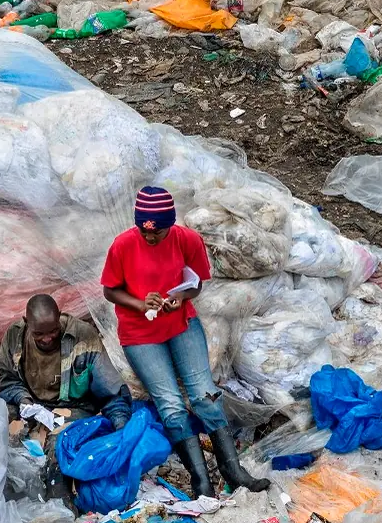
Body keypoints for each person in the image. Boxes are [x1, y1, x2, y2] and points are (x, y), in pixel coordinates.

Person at [101, 186, 269, 498]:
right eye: (145, 231)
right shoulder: (123, 245)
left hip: (181, 323)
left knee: (205, 395)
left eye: (158, 232)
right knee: (171, 405)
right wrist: (140, 304)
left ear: (170, 224)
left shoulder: (187, 240)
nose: (150, 238)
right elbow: (110, 290)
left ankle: (232, 469)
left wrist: (180, 297)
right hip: (139, 334)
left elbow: (196, 283)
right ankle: (200, 479)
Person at [0, 294, 133, 499]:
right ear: (27, 324)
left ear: (60, 318)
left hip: (73, 407)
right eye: (39, 333)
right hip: (30, 404)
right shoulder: (15, 336)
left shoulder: (82, 336)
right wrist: (23, 399)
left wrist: (123, 430)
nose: (47, 338)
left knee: (60, 445)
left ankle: (59, 503)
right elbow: (3, 378)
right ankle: (3, 495)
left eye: (53, 331)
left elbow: (111, 392)